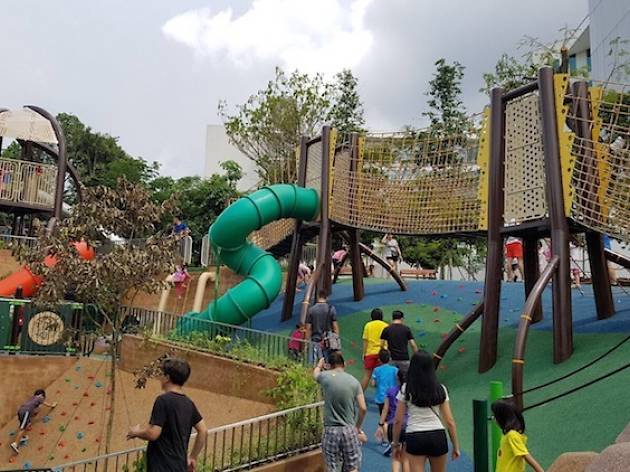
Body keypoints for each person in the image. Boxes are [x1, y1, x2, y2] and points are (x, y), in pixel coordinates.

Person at [127, 358, 208, 472]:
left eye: (162, 375)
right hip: (179, 466)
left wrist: (136, 432)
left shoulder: (163, 401)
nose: (160, 378)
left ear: (167, 378)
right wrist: (192, 457)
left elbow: (153, 433)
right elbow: (203, 430)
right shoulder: (188, 403)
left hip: (162, 466)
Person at [392, 351, 460, 472]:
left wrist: (396, 444)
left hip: (415, 435)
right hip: (437, 434)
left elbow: (398, 420)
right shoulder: (440, 389)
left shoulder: (406, 388)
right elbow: (450, 421)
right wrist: (456, 446)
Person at [314, 352, 368, 472]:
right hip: (349, 429)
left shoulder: (325, 376)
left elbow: (315, 375)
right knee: (353, 466)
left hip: (331, 430)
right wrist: (357, 427)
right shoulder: (354, 382)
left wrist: (319, 365)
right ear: (344, 364)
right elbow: (363, 408)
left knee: (332, 466)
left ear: (328, 366)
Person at [491, 400, 544, 472]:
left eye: (495, 416)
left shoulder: (512, 435)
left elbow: (526, 455)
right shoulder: (507, 435)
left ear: (502, 418)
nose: (494, 419)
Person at [376, 370, 409, 470]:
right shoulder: (411, 392)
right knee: (406, 458)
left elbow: (385, 410)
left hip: (393, 424)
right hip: (408, 425)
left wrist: (380, 425)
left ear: (397, 378)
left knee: (395, 456)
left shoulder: (391, 391)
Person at [10, 389, 57, 454]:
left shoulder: (32, 399)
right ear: (41, 394)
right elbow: (45, 403)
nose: (43, 397)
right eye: (43, 396)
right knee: (22, 428)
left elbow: (34, 411)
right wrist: (52, 405)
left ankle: (21, 437)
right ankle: (15, 444)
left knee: (25, 424)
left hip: (21, 410)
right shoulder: (39, 397)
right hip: (26, 412)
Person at [305, 290, 340, 363]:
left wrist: (306, 341)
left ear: (318, 296)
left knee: (313, 361)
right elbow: (335, 326)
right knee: (328, 361)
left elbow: (308, 328)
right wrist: (337, 339)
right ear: (326, 297)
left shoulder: (311, 310)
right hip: (328, 340)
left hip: (315, 339)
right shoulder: (331, 309)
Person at [380, 310, 418, 375]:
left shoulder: (387, 329)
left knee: (392, 378)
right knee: (406, 378)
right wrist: (417, 356)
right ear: (402, 318)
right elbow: (413, 345)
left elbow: (381, 345)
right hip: (404, 358)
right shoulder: (406, 329)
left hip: (392, 358)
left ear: (392, 318)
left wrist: (386, 354)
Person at [361, 308, 389, 390]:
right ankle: (383, 397)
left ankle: (360, 395)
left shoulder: (368, 325)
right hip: (382, 354)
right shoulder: (385, 325)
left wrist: (364, 353)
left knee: (367, 376)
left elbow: (365, 341)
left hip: (370, 353)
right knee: (383, 376)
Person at [371, 349, 398, 415]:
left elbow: (373, 384)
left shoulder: (376, 370)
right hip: (392, 397)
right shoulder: (395, 370)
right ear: (390, 359)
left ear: (379, 359)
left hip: (381, 398)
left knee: (382, 416)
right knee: (391, 417)